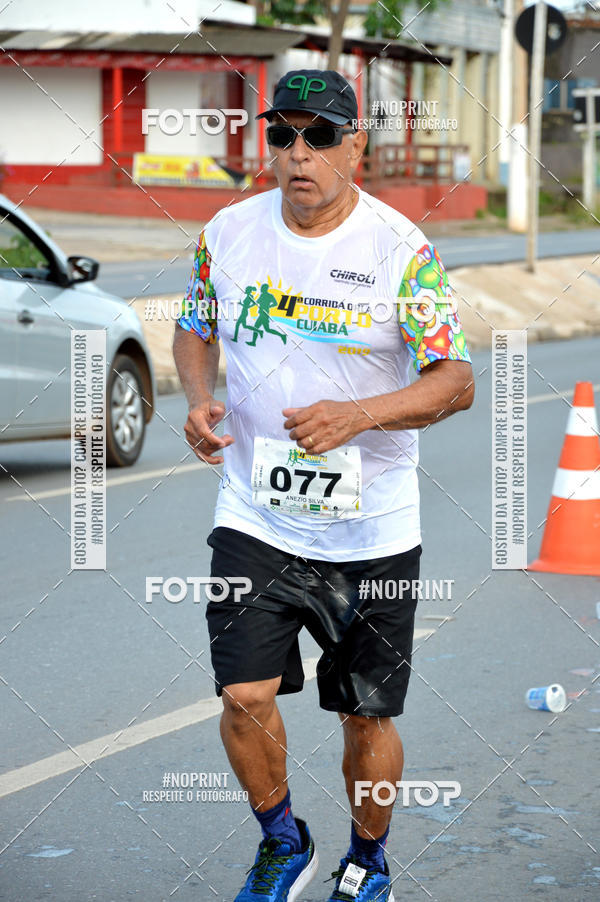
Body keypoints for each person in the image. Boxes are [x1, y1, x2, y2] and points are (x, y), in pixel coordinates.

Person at [173, 68, 474, 902]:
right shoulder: (227, 232)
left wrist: (359, 415)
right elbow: (194, 328)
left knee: (365, 715)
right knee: (241, 694)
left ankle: (367, 860)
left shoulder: (399, 248)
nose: (298, 154)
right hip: (256, 514)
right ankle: (283, 841)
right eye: (282, 136)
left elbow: (455, 381)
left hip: (370, 527)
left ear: (357, 147)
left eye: (319, 136)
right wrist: (201, 401)